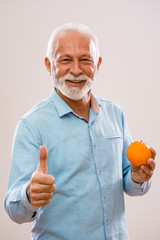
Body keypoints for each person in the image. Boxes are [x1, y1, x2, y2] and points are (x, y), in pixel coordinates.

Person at [4, 23, 156, 240]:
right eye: (65, 60)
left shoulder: (115, 113)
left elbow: (128, 183)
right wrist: (29, 194)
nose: (76, 70)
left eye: (85, 60)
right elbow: (14, 210)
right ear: (49, 65)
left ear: (98, 64)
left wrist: (138, 178)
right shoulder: (31, 125)